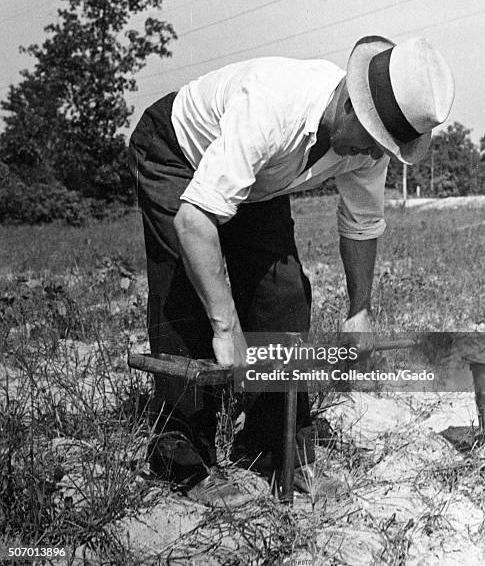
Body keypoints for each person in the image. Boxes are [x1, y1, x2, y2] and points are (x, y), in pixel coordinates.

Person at [128, 35, 454, 496]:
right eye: (374, 141)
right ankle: (180, 456)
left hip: (262, 178)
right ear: (349, 105)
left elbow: (361, 224)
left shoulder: (376, 139)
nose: (376, 154)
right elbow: (194, 219)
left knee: (284, 297)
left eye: (387, 146)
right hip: (178, 153)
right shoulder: (271, 104)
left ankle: (271, 445)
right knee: (187, 298)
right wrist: (227, 329)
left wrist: (359, 310)